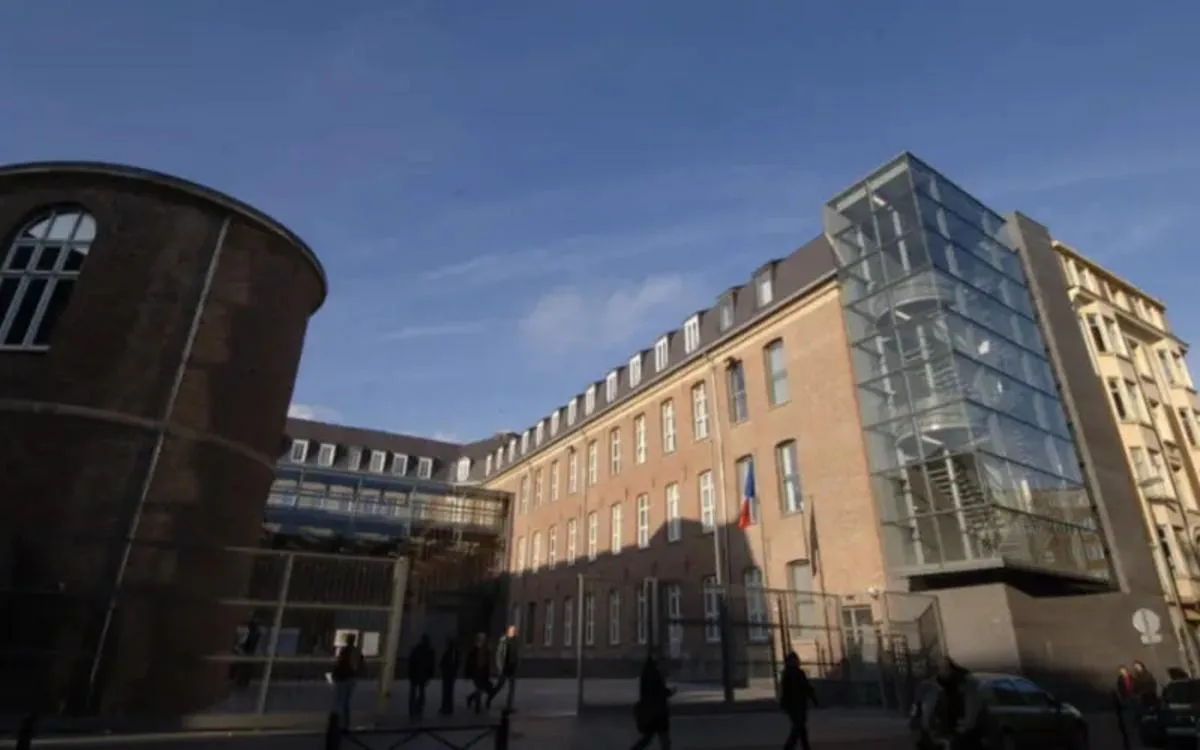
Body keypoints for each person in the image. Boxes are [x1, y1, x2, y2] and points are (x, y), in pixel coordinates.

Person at [918, 657, 987, 750]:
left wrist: (963, 728)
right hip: (945, 734)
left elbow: (971, 713)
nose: (942, 671)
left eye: (945, 668)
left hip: (965, 735)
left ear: (952, 668)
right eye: (940, 668)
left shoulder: (966, 685)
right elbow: (928, 712)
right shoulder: (935, 687)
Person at [629, 654, 674, 749]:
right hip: (657, 713)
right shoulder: (654, 674)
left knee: (650, 738)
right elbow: (659, 691)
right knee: (661, 739)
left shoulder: (649, 672)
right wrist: (669, 692)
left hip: (654, 712)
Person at [780, 652, 818, 750]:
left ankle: (804, 747)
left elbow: (805, 687)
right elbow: (804, 687)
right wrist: (813, 698)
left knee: (800, 727)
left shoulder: (790, 673)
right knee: (798, 727)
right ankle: (789, 747)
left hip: (797, 704)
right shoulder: (793, 673)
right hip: (795, 704)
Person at [330, 633, 365, 730]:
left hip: (343, 677)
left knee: (340, 700)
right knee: (345, 701)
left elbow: (339, 663)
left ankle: (338, 722)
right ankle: (345, 723)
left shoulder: (344, 651)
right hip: (351, 678)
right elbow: (359, 664)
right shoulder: (356, 651)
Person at [488, 624, 520, 712]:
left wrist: (517, 663)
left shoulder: (515, 641)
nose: (514, 632)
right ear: (508, 631)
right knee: (499, 686)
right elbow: (499, 655)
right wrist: (500, 667)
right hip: (505, 667)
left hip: (512, 667)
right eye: (512, 630)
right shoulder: (504, 641)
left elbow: (516, 654)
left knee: (512, 687)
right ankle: (490, 697)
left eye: (514, 631)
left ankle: (509, 706)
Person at [407, 634, 436, 720]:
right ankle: (418, 707)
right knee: (421, 692)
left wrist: (410, 673)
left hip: (416, 674)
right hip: (422, 675)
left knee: (414, 692)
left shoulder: (417, 650)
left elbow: (412, 662)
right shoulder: (429, 651)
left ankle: (413, 708)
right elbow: (431, 665)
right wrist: (430, 675)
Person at [464, 633, 493, 714]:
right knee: (479, 689)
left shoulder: (486, 650)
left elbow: (487, 663)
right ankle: (477, 706)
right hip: (476, 672)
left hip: (483, 672)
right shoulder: (474, 650)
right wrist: (468, 673)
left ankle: (470, 698)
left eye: (484, 639)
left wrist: (488, 672)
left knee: (482, 688)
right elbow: (469, 663)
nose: (484, 641)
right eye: (482, 639)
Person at [233, 618, 261, 688]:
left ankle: (240, 681)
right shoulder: (257, 633)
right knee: (248, 668)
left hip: (246, 652)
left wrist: (240, 647)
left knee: (243, 667)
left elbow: (245, 643)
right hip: (252, 652)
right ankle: (245, 682)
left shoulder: (249, 633)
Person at [439, 636, 461, 716]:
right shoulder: (454, 653)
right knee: (449, 692)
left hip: (448, 675)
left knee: (447, 692)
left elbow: (442, 664)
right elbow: (457, 663)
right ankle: (447, 707)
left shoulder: (448, 653)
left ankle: (446, 707)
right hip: (450, 675)